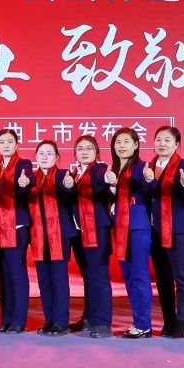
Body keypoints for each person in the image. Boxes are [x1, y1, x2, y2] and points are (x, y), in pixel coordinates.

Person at [145, 126, 184, 339]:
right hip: (154, 230)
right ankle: (169, 320)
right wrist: (148, 180)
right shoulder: (148, 167)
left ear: (176, 145)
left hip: (180, 230)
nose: (162, 144)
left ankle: (182, 322)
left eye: (167, 140)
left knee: (182, 277)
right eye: (158, 139)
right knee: (163, 278)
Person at [108, 129, 156, 338]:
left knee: (139, 276)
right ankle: (138, 322)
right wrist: (110, 186)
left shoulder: (140, 167)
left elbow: (150, 189)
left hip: (137, 228)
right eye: (118, 142)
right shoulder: (113, 170)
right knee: (128, 277)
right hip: (119, 229)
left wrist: (149, 179)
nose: (122, 146)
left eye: (127, 141)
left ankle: (144, 325)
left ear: (136, 145)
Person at [28, 140, 76, 335]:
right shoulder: (31, 178)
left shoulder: (63, 175)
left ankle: (61, 322)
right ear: (36, 157)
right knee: (44, 281)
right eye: (41, 153)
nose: (45, 157)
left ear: (57, 157)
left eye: (49, 153)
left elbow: (69, 192)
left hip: (59, 235)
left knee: (59, 280)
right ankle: (49, 320)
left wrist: (69, 186)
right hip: (38, 236)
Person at [0, 129, 34, 334]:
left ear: (17, 144)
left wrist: (25, 182)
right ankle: (6, 319)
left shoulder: (23, 164)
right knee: (3, 277)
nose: (5, 145)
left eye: (9, 142)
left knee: (17, 274)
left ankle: (18, 320)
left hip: (16, 227)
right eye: (2, 142)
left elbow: (28, 181)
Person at [67, 135, 113, 339]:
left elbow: (101, 180)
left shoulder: (99, 170)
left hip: (97, 230)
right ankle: (89, 316)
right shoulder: (75, 173)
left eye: (89, 148)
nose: (84, 152)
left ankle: (102, 323)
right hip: (79, 232)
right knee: (88, 276)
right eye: (80, 149)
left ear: (97, 152)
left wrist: (109, 179)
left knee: (99, 276)